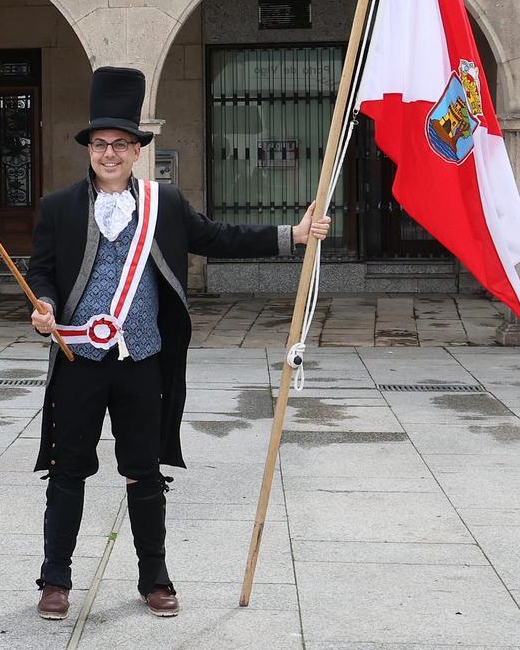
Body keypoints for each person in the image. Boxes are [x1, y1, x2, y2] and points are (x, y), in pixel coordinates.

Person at [26, 67, 330, 620]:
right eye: (100, 144)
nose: (110, 153)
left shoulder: (164, 204)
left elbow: (218, 238)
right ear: (89, 149)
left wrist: (293, 235)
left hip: (143, 360)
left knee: (144, 470)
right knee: (68, 469)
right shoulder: (58, 206)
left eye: (121, 144)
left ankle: (154, 577)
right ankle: (55, 581)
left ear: (138, 151)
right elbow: (41, 271)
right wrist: (42, 307)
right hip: (77, 360)